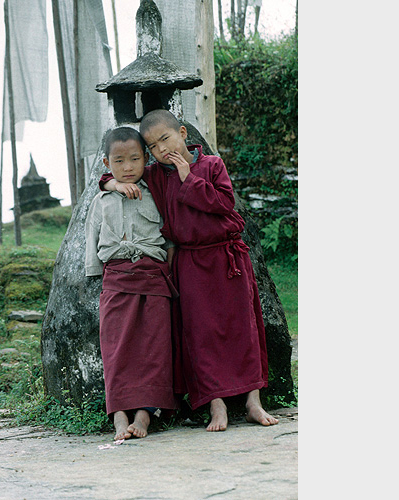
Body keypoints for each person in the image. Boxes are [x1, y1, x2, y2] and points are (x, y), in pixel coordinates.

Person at [100, 109, 279, 432]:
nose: (161, 150)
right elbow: (114, 174)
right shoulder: (156, 175)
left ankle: (253, 401)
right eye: (153, 146)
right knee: (200, 335)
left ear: (183, 134)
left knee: (243, 329)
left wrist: (189, 179)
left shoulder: (211, 166)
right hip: (190, 262)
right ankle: (217, 405)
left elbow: (224, 204)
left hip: (227, 260)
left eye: (165, 139)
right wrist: (112, 184)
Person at [85, 126, 178, 441]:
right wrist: (94, 272)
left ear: (146, 159)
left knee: (155, 347)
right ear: (106, 163)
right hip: (116, 280)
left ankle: (144, 414)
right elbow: (91, 237)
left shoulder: (156, 191)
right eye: (119, 161)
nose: (127, 167)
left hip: (153, 278)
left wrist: (169, 267)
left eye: (135, 159)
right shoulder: (101, 200)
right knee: (117, 348)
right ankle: (120, 415)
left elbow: (169, 237)